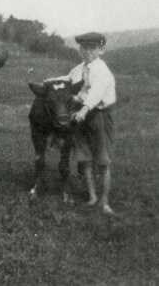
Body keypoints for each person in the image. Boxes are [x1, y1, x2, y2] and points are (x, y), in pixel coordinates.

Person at [48, 32, 116, 214]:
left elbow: (96, 93)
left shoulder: (103, 71)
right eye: (84, 48)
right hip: (79, 115)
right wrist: (49, 82)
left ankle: (104, 201)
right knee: (84, 158)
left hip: (98, 115)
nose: (88, 52)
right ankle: (93, 196)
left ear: (100, 50)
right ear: (80, 49)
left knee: (102, 161)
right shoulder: (78, 70)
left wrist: (84, 110)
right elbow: (68, 80)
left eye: (92, 48)